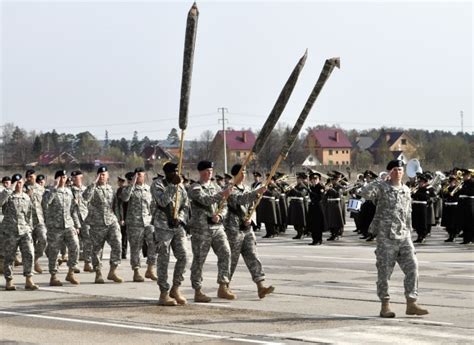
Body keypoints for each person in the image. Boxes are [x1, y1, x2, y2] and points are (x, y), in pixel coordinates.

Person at [360, 159, 428, 318]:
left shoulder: (406, 190)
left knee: (413, 267)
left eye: (400, 169)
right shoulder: (382, 188)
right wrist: (378, 180)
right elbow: (364, 193)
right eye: (395, 170)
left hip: (404, 236)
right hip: (386, 236)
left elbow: (408, 212)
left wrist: (410, 231)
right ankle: (385, 305)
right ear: (390, 172)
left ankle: (411, 303)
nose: (398, 172)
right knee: (384, 273)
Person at [188, 160, 234, 302]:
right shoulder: (195, 188)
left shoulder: (215, 187)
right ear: (201, 172)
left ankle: (223, 286)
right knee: (199, 260)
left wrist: (220, 215)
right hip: (201, 230)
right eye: (207, 171)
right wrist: (223, 194)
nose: (210, 173)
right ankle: (197, 290)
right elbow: (206, 200)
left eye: (212, 171)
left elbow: (224, 205)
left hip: (217, 228)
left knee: (226, 253)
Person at [225, 164, 274, 298]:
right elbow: (240, 200)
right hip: (234, 229)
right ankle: (224, 286)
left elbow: (252, 206)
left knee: (253, 257)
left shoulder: (247, 188)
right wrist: (257, 192)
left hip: (247, 229)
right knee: (232, 260)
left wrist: (251, 219)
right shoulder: (230, 189)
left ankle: (260, 285)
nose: (244, 175)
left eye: (245, 172)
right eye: (242, 172)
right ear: (236, 174)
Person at [151, 162, 189, 306]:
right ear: (167, 173)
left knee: (184, 256)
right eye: (174, 172)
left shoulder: (181, 186)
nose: (177, 175)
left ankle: (176, 288)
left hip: (177, 226)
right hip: (162, 227)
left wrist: (180, 217)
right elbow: (162, 201)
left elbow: (185, 205)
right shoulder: (157, 184)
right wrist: (173, 186)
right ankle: (163, 293)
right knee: (163, 260)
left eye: (178, 172)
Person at [83, 166, 123, 284]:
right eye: (100, 174)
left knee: (117, 243)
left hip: (111, 221)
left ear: (108, 176)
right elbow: (85, 197)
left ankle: (113, 270)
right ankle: (98, 273)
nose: (102, 176)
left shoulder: (111, 189)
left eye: (104, 174)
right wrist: (93, 183)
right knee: (97, 250)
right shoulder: (93, 189)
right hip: (97, 223)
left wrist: (119, 218)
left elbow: (115, 205)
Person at [0, 174, 38, 290]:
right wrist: (10, 188)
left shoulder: (26, 197)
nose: (18, 185)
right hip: (10, 231)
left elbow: (30, 214)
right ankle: (9, 280)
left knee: (29, 254)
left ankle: (29, 279)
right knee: (9, 256)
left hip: (24, 230)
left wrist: (30, 228)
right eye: (16, 182)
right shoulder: (8, 196)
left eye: (20, 182)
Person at [42, 170, 80, 286]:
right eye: (61, 177)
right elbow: (45, 203)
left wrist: (77, 225)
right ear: (57, 179)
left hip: (68, 224)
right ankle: (53, 276)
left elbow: (73, 210)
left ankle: (71, 272)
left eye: (65, 177)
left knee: (75, 246)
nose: (64, 179)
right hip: (55, 227)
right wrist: (54, 187)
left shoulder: (69, 192)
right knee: (54, 252)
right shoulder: (49, 191)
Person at [120, 167, 157, 282]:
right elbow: (125, 198)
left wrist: (154, 219)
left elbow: (153, 205)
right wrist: (132, 183)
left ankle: (150, 269)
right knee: (136, 248)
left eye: (141, 175)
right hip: (134, 223)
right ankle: (136, 271)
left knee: (154, 243)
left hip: (148, 222)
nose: (140, 177)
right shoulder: (128, 189)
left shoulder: (148, 189)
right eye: (137, 175)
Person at [24, 169, 48, 274]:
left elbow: (45, 204)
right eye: (29, 176)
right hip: (27, 221)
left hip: (39, 219)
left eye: (32, 176)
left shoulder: (40, 189)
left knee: (44, 239)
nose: (31, 178)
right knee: (30, 244)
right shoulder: (22, 188)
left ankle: (35, 258)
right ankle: (31, 264)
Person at [70, 170, 92, 272]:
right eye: (73, 177)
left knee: (88, 241)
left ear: (81, 177)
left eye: (76, 177)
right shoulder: (70, 190)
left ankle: (88, 262)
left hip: (86, 218)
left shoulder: (85, 190)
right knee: (75, 243)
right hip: (74, 218)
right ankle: (74, 264)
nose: (74, 179)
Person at [307, 172, 326, 245]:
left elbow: (320, 197)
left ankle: (319, 239)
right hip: (312, 207)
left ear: (319, 179)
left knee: (318, 224)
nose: (314, 180)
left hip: (318, 207)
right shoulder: (311, 187)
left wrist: (311, 193)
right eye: (312, 179)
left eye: (316, 179)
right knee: (312, 224)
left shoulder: (321, 187)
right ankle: (314, 239)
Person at [457, 169, 474, 244]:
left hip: (470, 203)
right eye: (463, 175)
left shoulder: (472, 183)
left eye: (465, 175)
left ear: (469, 175)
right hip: (463, 203)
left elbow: (471, 192)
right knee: (464, 222)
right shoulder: (464, 183)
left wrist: (463, 190)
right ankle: (466, 239)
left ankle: (471, 239)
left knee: (470, 222)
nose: (463, 177)